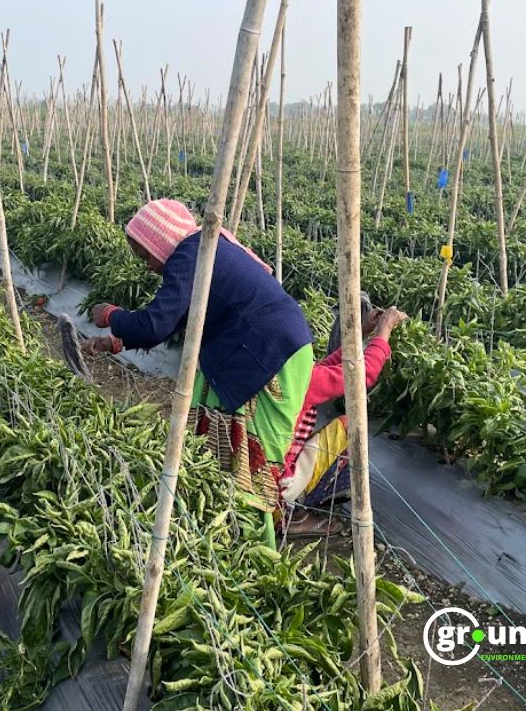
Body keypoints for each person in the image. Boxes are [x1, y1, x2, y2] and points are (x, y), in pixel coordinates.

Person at [82, 199, 313, 546]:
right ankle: (226, 532)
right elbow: (181, 318)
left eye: (145, 256)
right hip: (262, 349)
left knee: (248, 461)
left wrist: (112, 315)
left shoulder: (190, 252)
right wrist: (116, 342)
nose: (147, 267)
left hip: (268, 357)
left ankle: (254, 550)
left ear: (161, 241)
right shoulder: (203, 247)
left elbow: (156, 323)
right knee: (221, 443)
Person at [279, 305, 409, 532]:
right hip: (276, 482)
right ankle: (291, 511)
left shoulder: (272, 370)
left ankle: (284, 506)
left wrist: (363, 334)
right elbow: (361, 374)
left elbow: (323, 369)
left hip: (251, 470)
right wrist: (384, 330)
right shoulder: (297, 383)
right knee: (350, 426)